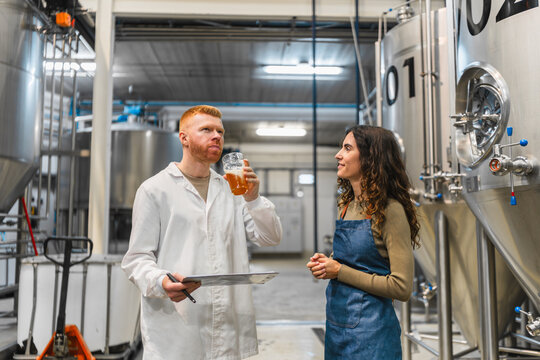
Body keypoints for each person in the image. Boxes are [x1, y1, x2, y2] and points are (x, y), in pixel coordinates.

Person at [122, 105, 283, 359]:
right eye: (206, 129)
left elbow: (270, 237)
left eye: (220, 131)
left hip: (228, 326)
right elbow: (137, 259)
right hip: (178, 328)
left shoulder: (232, 190)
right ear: (183, 138)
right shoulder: (155, 190)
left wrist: (253, 199)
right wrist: (162, 282)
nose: (217, 136)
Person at [307, 125, 420, 359]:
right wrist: (327, 264)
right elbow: (355, 262)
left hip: (373, 335)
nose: (338, 155)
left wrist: (339, 271)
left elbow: (401, 287)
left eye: (347, 148)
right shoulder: (346, 205)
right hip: (338, 327)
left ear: (370, 157)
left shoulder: (391, 210)